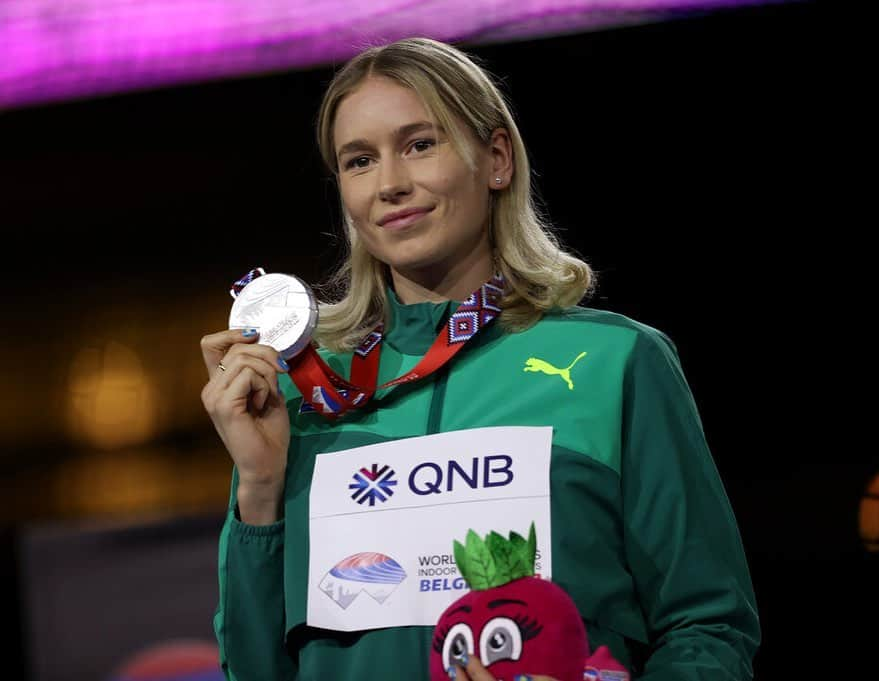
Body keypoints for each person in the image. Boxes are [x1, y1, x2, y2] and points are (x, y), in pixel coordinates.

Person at [200, 37, 760, 681]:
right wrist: (263, 488)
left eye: (420, 144)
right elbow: (253, 667)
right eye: (359, 161)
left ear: (495, 159)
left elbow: (708, 625)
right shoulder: (304, 397)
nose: (390, 184)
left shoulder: (617, 361)